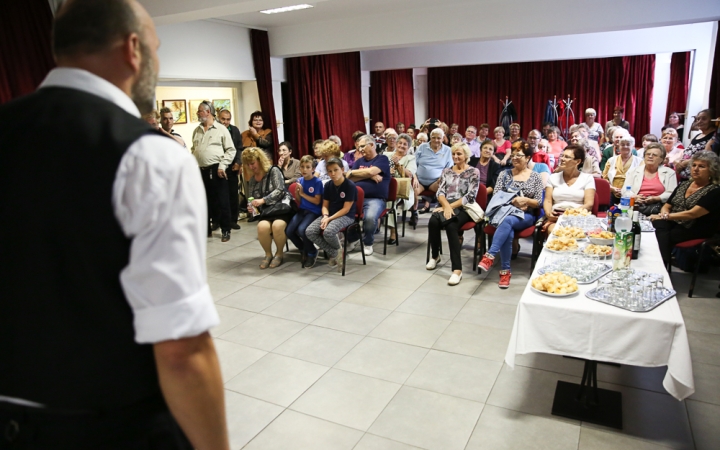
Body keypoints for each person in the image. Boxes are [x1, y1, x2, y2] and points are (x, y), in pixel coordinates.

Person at [0, 0, 229, 448]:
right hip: (112, 426)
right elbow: (181, 350)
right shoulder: (151, 156)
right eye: (156, 47)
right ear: (133, 49)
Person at [478, 142, 544, 288]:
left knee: (507, 222)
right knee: (507, 226)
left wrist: (526, 200)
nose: (514, 158)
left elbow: (538, 202)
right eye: (512, 155)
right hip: (504, 213)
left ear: (527, 157)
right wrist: (513, 201)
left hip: (525, 216)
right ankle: (505, 272)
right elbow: (496, 196)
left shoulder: (536, 177)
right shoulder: (504, 174)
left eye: (518, 155)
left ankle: (490, 255)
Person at [650, 151, 720, 266]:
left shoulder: (715, 191)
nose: (696, 169)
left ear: (712, 171)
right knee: (657, 227)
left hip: (696, 226)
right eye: (694, 165)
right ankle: (663, 263)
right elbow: (667, 205)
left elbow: (693, 214)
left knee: (661, 234)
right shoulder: (684, 184)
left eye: (701, 166)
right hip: (675, 221)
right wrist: (663, 215)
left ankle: (661, 264)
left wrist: (665, 217)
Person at [425, 143, 480, 286]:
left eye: (459, 154)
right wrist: (446, 206)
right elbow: (440, 192)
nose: (456, 156)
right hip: (446, 204)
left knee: (451, 226)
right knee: (433, 222)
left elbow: (471, 196)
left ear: (466, 156)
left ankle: (457, 270)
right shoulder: (446, 171)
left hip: (465, 207)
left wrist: (449, 207)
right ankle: (435, 256)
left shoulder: (474, 172)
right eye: (454, 154)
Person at [192, 100, 236, 242]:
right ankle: (206, 230)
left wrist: (223, 165)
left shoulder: (221, 129)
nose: (198, 113)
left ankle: (225, 230)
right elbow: (194, 150)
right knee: (204, 201)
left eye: (200, 111)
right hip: (201, 170)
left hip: (217, 169)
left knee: (222, 201)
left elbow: (231, 150)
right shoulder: (197, 130)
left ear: (208, 112)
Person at [243, 147, 294, 269]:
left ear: (260, 160)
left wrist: (263, 200)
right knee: (262, 227)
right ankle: (268, 254)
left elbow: (280, 190)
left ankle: (279, 253)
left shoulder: (274, 170)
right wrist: (251, 208)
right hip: (266, 211)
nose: (251, 167)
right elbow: (251, 197)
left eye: (253, 163)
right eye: (248, 165)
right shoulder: (252, 179)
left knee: (277, 226)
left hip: (281, 208)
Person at [306, 157, 357, 273]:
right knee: (310, 231)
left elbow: (346, 209)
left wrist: (329, 218)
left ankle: (336, 254)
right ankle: (337, 252)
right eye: (330, 171)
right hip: (330, 215)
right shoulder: (328, 185)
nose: (333, 173)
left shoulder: (350, 186)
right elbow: (325, 205)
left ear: (342, 169)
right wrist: (325, 216)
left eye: (336, 170)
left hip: (346, 216)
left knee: (329, 232)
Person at [347, 135, 391, 256]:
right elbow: (350, 178)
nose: (360, 149)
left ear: (372, 145)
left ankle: (368, 243)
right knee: (345, 213)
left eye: (362, 146)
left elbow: (364, 172)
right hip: (356, 197)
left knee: (370, 218)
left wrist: (354, 172)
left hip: (375, 199)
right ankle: (353, 239)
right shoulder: (359, 162)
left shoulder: (382, 159)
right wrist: (369, 175)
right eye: (358, 146)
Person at [543, 145, 597, 233]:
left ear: (578, 161)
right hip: (556, 216)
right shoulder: (553, 177)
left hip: (578, 217)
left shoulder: (588, 178)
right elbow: (548, 200)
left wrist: (569, 215)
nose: (562, 159)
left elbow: (589, 204)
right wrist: (548, 213)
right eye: (562, 156)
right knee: (555, 231)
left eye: (567, 157)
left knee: (575, 233)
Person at [287, 155, 323, 268]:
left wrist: (303, 193)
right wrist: (298, 193)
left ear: (313, 169)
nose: (304, 170)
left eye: (308, 167)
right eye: (302, 167)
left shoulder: (317, 182)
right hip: (303, 209)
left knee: (302, 230)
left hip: (314, 211)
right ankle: (303, 248)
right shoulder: (300, 180)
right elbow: (299, 200)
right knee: (289, 231)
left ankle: (312, 252)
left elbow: (317, 201)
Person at [624, 143, 678, 216]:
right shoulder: (633, 171)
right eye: (648, 154)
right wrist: (634, 197)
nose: (650, 156)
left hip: (659, 208)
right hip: (635, 205)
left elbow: (672, 193)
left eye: (654, 155)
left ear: (661, 159)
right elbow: (624, 190)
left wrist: (656, 198)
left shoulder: (669, 173)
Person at [386, 133, 418, 242]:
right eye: (400, 143)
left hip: (402, 188)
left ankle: (393, 231)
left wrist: (398, 165)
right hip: (386, 185)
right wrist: (387, 171)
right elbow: (379, 169)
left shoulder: (410, 158)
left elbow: (409, 174)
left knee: (390, 202)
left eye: (405, 144)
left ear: (408, 147)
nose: (402, 146)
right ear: (396, 144)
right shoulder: (386, 155)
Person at [414, 128, 452, 214]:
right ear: (430, 137)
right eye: (433, 137)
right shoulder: (422, 147)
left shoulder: (448, 150)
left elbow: (449, 168)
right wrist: (415, 177)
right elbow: (413, 164)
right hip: (419, 181)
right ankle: (414, 213)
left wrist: (442, 177)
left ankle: (441, 213)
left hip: (435, 181)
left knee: (445, 190)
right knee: (413, 191)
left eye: (439, 138)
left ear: (443, 138)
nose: (436, 140)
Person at [218, 109, 244, 229]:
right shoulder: (215, 129)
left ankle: (233, 219)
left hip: (232, 166)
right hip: (218, 165)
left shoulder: (234, 130)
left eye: (228, 119)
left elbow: (239, 148)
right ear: (218, 118)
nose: (225, 122)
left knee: (233, 194)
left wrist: (239, 162)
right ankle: (219, 220)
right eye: (223, 119)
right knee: (219, 195)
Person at [675, 109, 717, 181]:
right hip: (685, 177)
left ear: (712, 120)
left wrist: (685, 163)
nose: (700, 121)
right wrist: (679, 162)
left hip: (697, 178)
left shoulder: (714, 137)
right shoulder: (697, 135)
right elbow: (688, 152)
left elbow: (705, 157)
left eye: (704, 119)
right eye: (698, 119)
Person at [602, 135, 644, 203]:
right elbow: (605, 178)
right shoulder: (611, 160)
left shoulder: (640, 161)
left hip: (631, 192)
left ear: (633, 146)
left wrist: (625, 191)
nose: (625, 146)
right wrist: (612, 188)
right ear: (619, 146)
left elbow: (640, 179)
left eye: (628, 144)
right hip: (612, 191)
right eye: (622, 144)